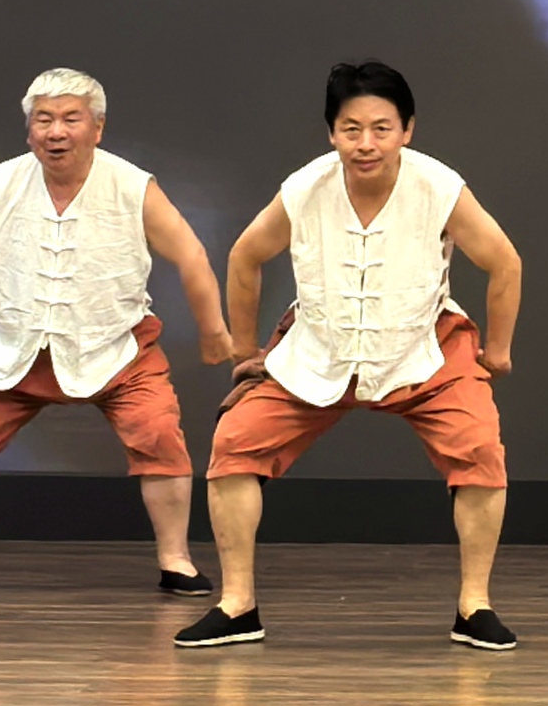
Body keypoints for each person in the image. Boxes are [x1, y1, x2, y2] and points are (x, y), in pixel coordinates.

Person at [182, 62, 526, 651]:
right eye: (351, 129)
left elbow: (504, 261)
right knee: (235, 441)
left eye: (381, 128)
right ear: (332, 132)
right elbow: (245, 255)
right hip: (321, 346)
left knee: (479, 446)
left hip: (421, 346)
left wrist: (497, 350)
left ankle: (475, 606)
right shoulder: (305, 188)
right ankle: (237, 604)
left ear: (407, 130)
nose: (366, 143)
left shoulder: (439, 186)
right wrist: (245, 348)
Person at [0, 67, 235, 595]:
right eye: (44, 119)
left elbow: (190, 255)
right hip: (16, 345)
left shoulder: (132, 185)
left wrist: (213, 331)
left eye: (71, 119)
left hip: (118, 345)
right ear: (29, 129)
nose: (56, 132)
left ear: (97, 128)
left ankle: (177, 560)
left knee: (159, 436)